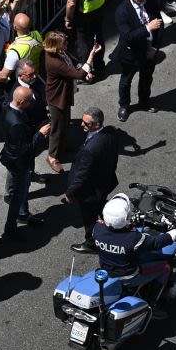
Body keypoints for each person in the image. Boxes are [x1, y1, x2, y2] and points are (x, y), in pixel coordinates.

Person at [92, 194, 176, 319]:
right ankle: (153, 303)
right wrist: (175, 232)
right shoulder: (134, 239)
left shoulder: (97, 229)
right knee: (165, 267)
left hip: (107, 271)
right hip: (129, 276)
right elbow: (156, 243)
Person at [64, 107, 120, 254]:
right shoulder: (111, 133)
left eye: (86, 123)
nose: (82, 125)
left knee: (89, 218)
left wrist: (70, 193)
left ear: (97, 125)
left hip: (91, 190)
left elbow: (81, 175)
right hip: (105, 182)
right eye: (82, 121)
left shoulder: (91, 149)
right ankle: (110, 231)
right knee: (102, 209)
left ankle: (91, 243)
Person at [0, 86, 50, 241]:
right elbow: (26, 150)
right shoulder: (17, 124)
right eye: (28, 101)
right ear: (21, 102)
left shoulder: (7, 109)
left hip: (12, 156)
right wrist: (41, 134)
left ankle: (23, 214)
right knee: (19, 194)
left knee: (22, 189)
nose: (30, 103)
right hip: (19, 162)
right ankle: (11, 227)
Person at [43, 30, 98, 173]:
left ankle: (62, 148)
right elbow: (77, 74)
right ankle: (52, 156)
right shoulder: (54, 61)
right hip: (56, 97)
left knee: (65, 122)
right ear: (55, 46)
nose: (67, 46)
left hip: (63, 94)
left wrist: (85, 69)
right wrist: (91, 57)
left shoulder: (59, 52)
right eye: (64, 44)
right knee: (57, 128)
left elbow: (73, 61)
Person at [114, 0, 162, 122]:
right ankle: (124, 106)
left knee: (147, 77)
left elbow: (160, 26)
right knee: (126, 80)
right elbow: (128, 36)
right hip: (131, 53)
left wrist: (154, 48)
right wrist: (148, 28)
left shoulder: (151, 2)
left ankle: (144, 101)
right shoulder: (122, 11)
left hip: (149, 51)